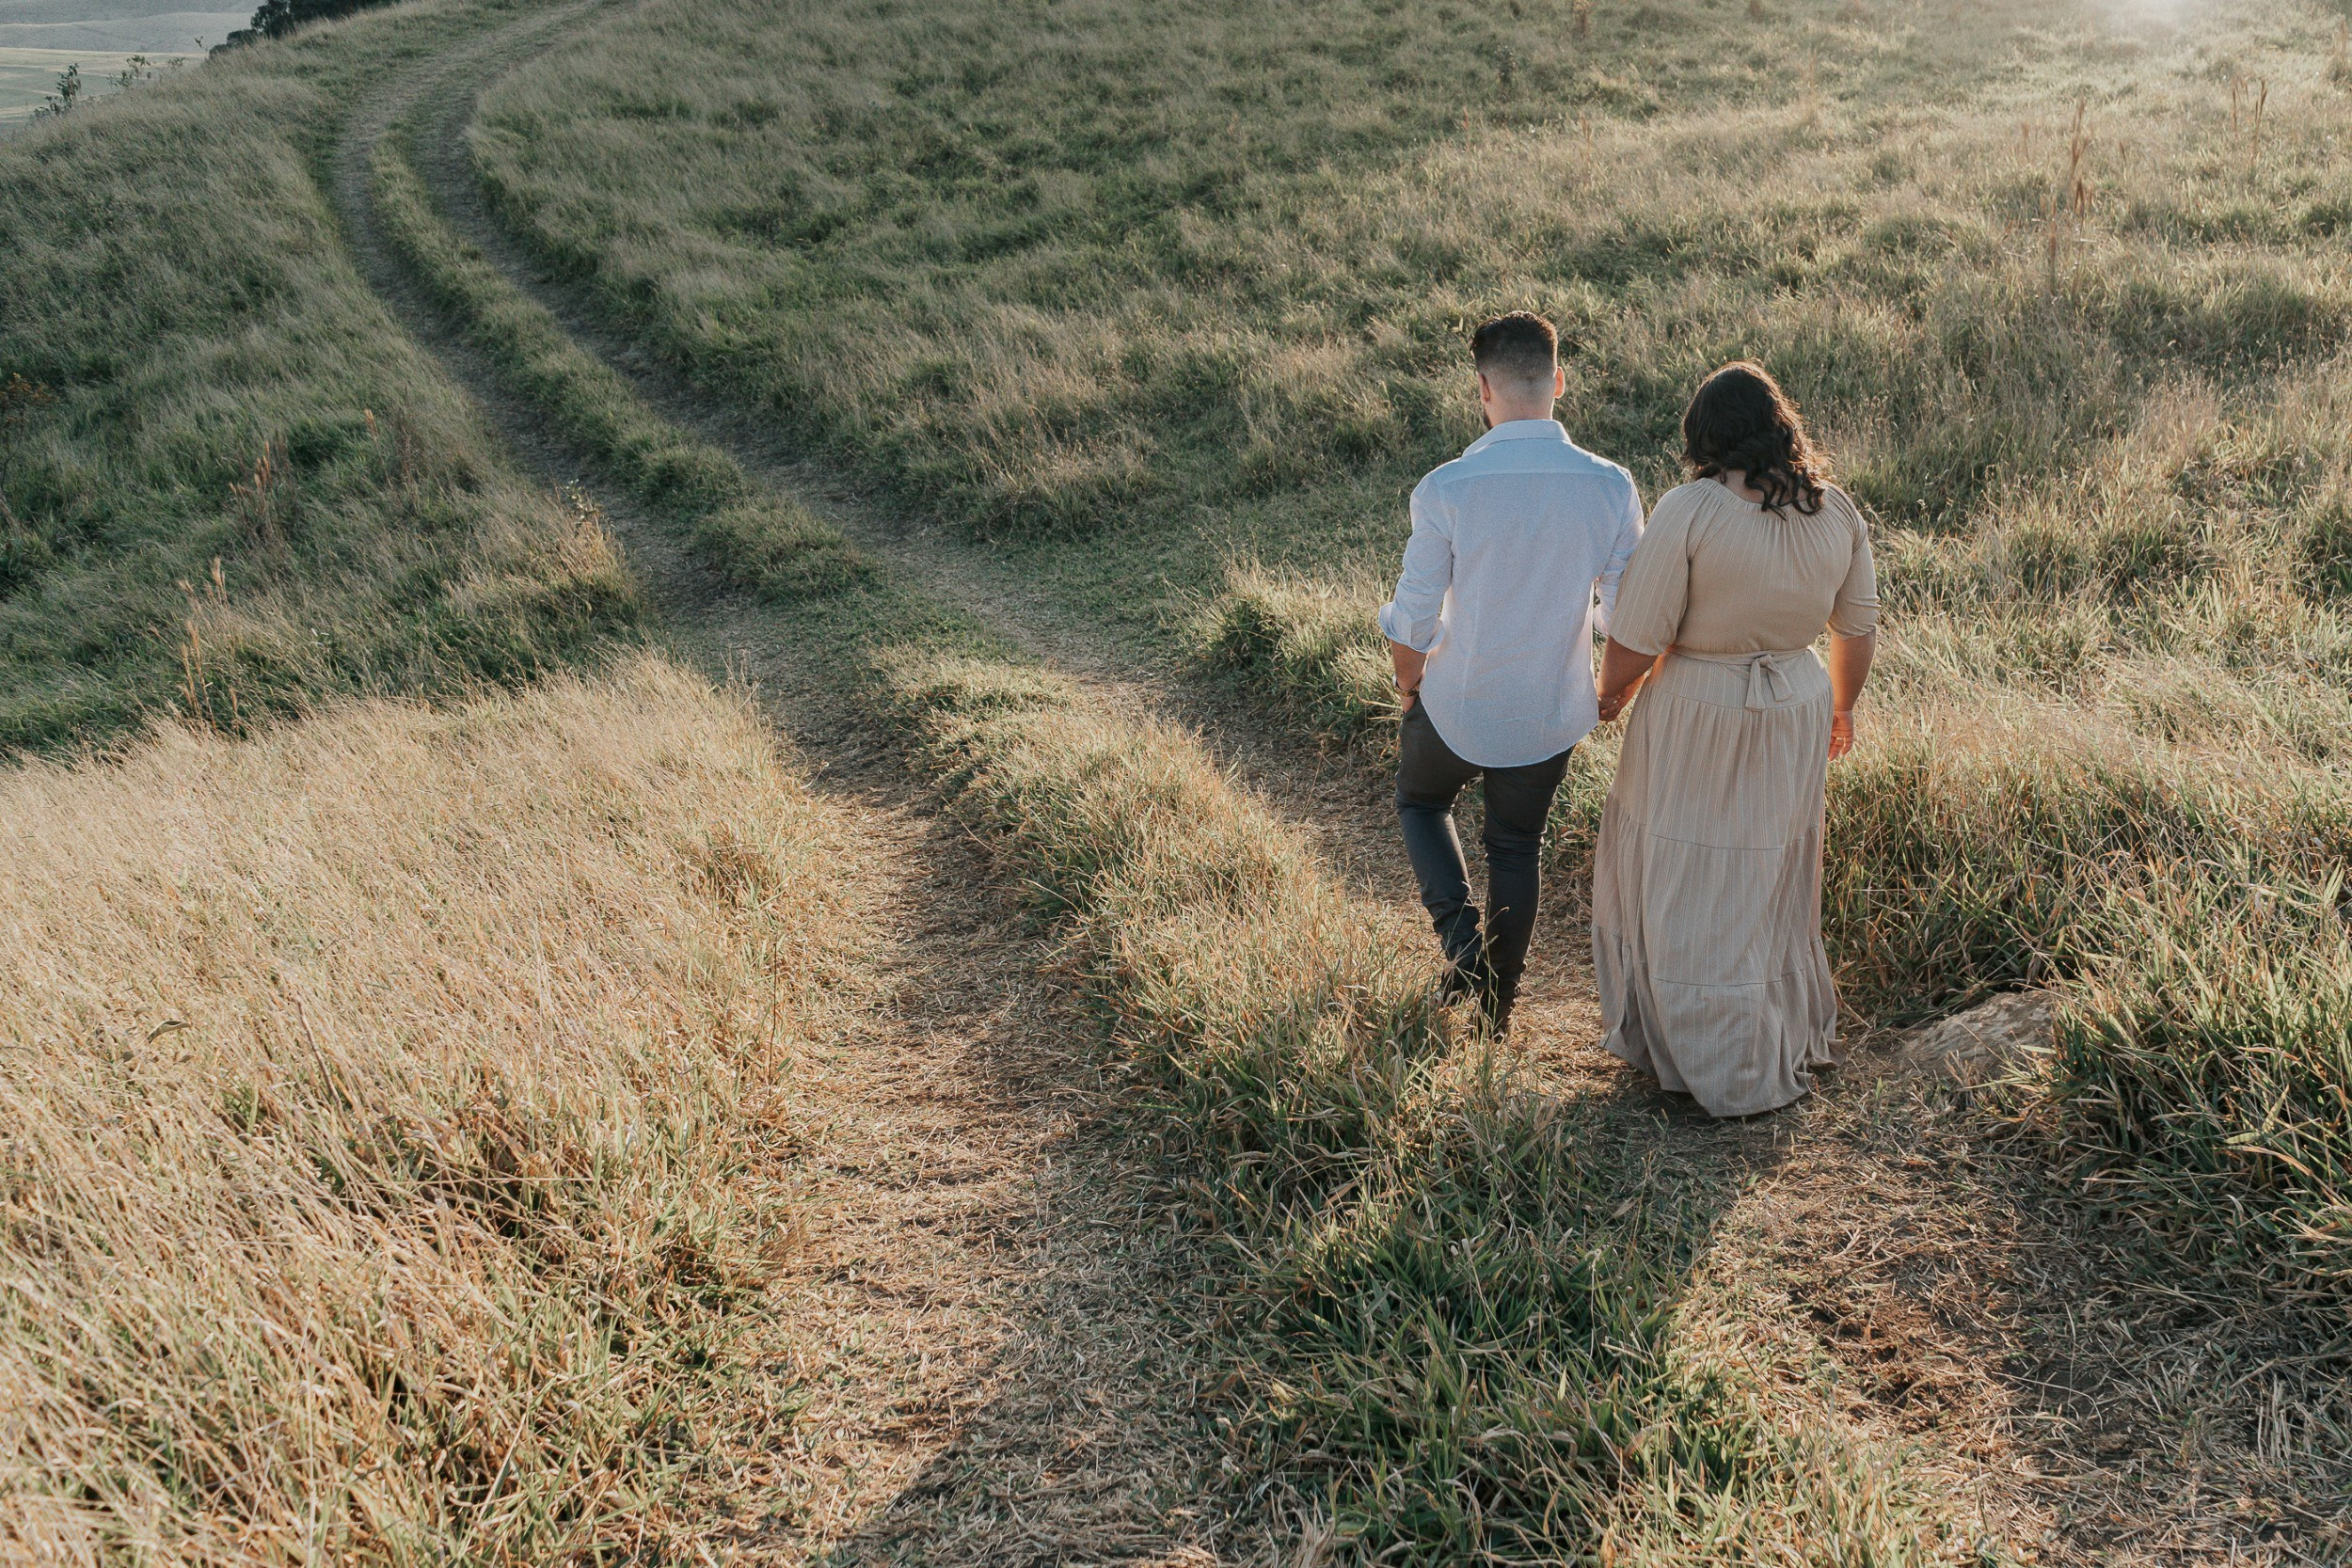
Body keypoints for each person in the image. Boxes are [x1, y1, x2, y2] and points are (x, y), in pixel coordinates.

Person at [1590, 360, 1879, 1117]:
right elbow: (1858, 625)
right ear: (1781, 425)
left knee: (1685, 869)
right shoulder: (1836, 510)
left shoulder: (1691, 509)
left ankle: (1696, 1054)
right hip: (1796, 702)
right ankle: (1759, 1034)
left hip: (1699, 706)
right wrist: (1843, 707)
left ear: (1703, 435)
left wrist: (1611, 692)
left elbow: (1638, 632)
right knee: (1770, 870)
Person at [1378, 311, 1644, 1035]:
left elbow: (1414, 620)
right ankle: (1498, 1006)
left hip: (1457, 704)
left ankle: (1464, 949)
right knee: (1515, 846)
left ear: (1482, 391)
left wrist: (1410, 688)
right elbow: (1628, 620)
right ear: (1558, 380)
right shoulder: (1611, 487)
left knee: (1419, 800)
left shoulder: (1446, 487)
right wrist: (1609, 693)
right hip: (1551, 711)